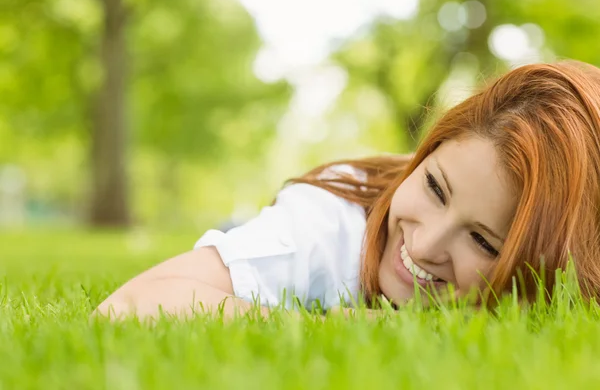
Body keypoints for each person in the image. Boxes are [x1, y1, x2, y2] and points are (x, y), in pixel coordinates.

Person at [94, 60, 600, 320]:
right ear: (425, 154)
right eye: (434, 187)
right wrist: (331, 326)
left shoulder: (567, 272)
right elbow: (131, 305)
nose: (422, 246)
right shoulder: (323, 228)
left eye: (483, 241)